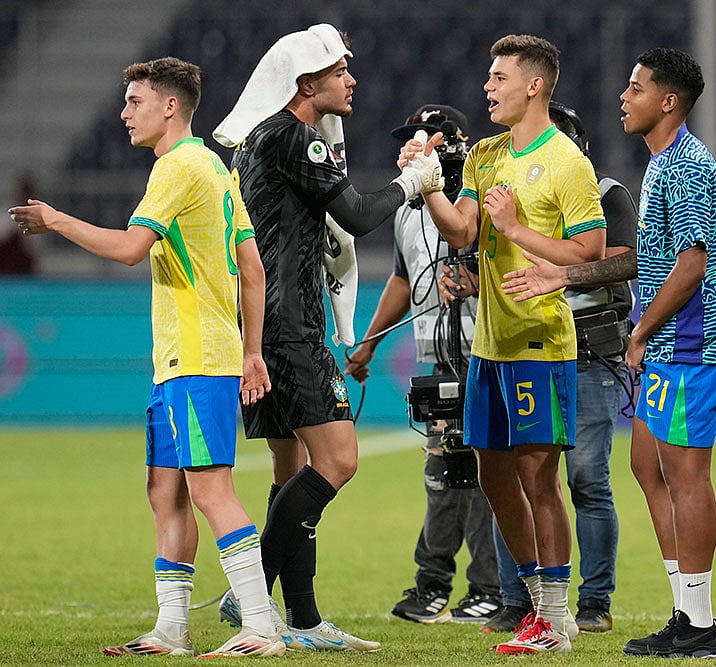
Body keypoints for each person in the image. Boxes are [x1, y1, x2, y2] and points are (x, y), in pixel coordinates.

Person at [9, 57, 284, 658]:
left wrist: (56, 220)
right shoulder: (216, 168)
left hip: (197, 360)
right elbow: (253, 268)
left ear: (169, 106)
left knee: (210, 489)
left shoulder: (178, 166)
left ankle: (262, 625)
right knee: (165, 490)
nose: (124, 113)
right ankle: (171, 629)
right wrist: (251, 351)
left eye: (135, 101)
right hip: (186, 360)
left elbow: (132, 248)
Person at [502, 48, 716, 659]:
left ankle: (700, 624)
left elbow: (692, 265)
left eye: (636, 88)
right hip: (668, 339)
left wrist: (639, 332)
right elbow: (651, 258)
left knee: (686, 476)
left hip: (692, 339)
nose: (623, 96)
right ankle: (684, 611)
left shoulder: (687, 166)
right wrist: (565, 277)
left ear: (668, 101)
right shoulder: (661, 163)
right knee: (647, 468)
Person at [210, 24, 442, 652]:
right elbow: (359, 216)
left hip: (264, 325)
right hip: (291, 329)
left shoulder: (261, 139)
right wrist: (415, 182)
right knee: (338, 461)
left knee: (289, 468)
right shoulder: (294, 137)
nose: (351, 80)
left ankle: (304, 620)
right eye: (340, 71)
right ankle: (252, 587)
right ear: (306, 83)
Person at [399, 34, 607, 655]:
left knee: (539, 479)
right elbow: (461, 230)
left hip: (540, 341)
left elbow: (591, 251)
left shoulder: (567, 162)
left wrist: (517, 229)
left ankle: (557, 618)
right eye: (489, 78)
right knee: (492, 476)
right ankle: (541, 606)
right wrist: (429, 185)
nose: (487, 88)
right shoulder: (487, 155)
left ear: (534, 85)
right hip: (489, 345)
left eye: (499, 78)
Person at [481, 100, 635, 636]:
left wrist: (560, 270)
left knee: (586, 479)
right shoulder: (508, 180)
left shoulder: (606, 192)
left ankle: (593, 601)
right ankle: (519, 600)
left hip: (588, 348)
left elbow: (624, 259)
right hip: (520, 342)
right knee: (513, 475)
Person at [344, 104, 502, 625]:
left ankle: (488, 588)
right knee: (442, 470)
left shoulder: (483, 196)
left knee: (481, 472)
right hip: (437, 358)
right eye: (409, 137)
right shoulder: (408, 209)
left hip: (486, 353)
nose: (413, 145)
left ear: (452, 145)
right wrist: (369, 343)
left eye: (425, 137)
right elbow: (402, 279)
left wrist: (478, 281)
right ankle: (433, 586)